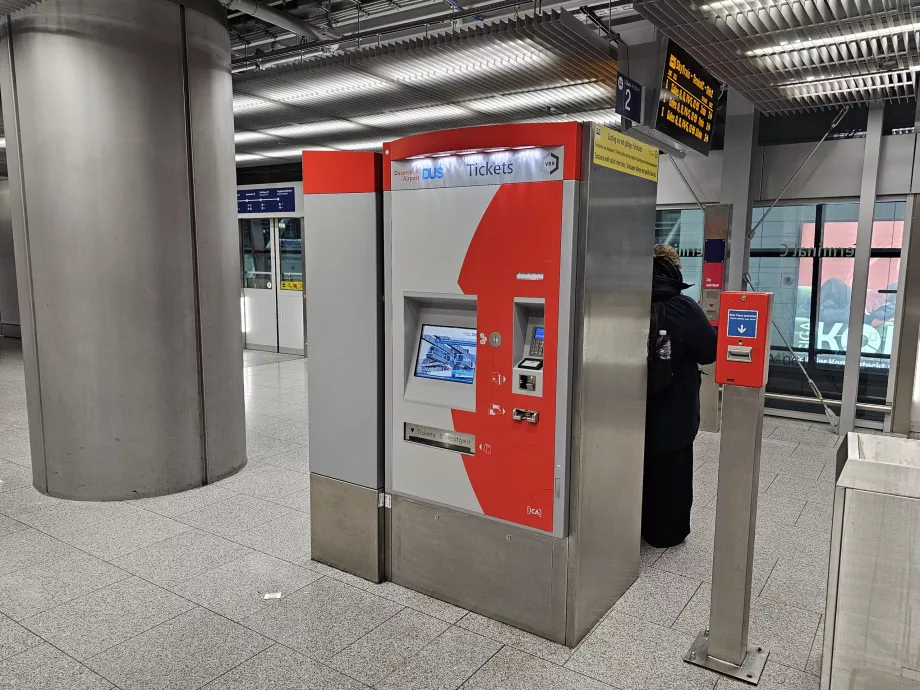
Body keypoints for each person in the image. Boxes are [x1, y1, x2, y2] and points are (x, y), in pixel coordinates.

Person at [642, 245, 717, 548]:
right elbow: (709, 351)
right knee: (672, 470)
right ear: (674, 270)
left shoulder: (623, 301)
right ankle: (665, 533)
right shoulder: (682, 305)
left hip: (627, 406)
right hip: (673, 405)